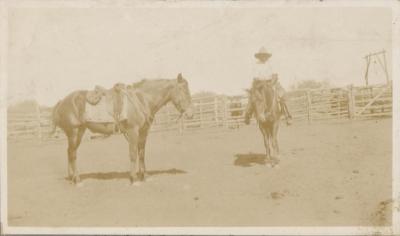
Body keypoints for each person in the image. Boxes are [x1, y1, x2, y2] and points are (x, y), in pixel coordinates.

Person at [244, 47, 292, 125]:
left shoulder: (271, 63)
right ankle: (247, 115)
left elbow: (275, 75)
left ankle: (287, 115)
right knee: (252, 97)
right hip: (259, 84)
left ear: (267, 56)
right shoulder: (256, 65)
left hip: (271, 82)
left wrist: (271, 83)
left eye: (264, 55)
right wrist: (257, 85)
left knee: (282, 94)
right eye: (261, 56)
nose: (263, 57)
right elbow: (255, 77)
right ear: (259, 56)